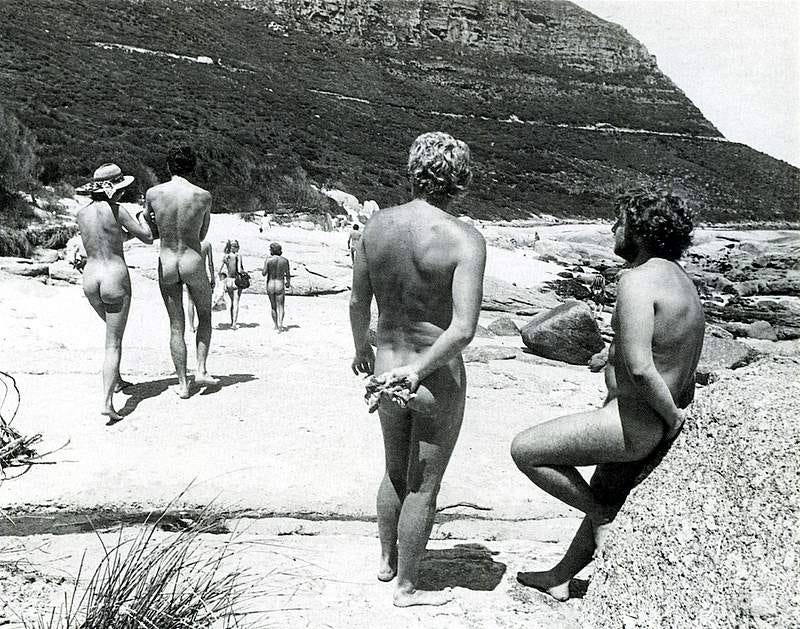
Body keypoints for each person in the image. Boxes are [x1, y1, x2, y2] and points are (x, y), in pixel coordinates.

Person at [510, 190, 704, 601]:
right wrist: (610, 354)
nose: (614, 229)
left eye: (620, 221)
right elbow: (665, 351)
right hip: (643, 419)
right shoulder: (684, 283)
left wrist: (671, 419)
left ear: (640, 229)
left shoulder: (637, 280)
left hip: (634, 422)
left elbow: (640, 366)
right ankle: (561, 577)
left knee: (526, 451)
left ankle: (602, 519)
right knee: (604, 489)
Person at [349, 132, 486, 607]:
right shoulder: (464, 237)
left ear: (414, 172)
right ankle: (407, 587)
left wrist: (360, 352)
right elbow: (463, 330)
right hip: (433, 375)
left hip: (384, 366)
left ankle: (387, 561)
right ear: (460, 179)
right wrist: (419, 371)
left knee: (392, 470)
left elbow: (356, 302)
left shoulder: (375, 227)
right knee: (424, 486)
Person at [75, 163, 153, 421]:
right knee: (113, 343)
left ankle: (116, 381)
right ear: (116, 189)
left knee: (110, 333)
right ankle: (108, 402)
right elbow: (147, 237)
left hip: (90, 277)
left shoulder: (81, 214)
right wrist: (142, 217)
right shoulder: (118, 210)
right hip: (114, 276)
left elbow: (106, 238)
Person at [145, 146, 218, 398]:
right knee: (205, 315)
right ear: (193, 166)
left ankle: (182, 385)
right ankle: (201, 370)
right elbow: (202, 234)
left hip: (166, 260)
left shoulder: (153, 193)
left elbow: (151, 229)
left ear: (168, 166)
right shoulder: (203, 196)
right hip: (191, 259)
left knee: (176, 326)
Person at [184, 239, 215, 333]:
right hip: (202, 275)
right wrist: (213, 277)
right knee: (203, 301)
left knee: (190, 301)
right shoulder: (207, 244)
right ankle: (201, 324)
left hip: (190, 274)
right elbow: (210, 264)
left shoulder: (188, 242)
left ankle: (191, 326)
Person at [261, 241, 291, 331]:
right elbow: (288, 274)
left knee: (273, 306)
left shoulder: (268, 260)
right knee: (281, 305)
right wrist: (288, 282)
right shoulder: (285, 260)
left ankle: (275, 325)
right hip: (280, 283)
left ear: (272, 250)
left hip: (270, 283)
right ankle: (281, 324)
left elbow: (264, 273)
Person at [219, 239, 246, 330]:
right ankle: (234, 323)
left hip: (228, 281)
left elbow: (220, 270)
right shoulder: (238, 256)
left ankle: (232, 321)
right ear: (235, 247)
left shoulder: (225, 256)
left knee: (232, 302)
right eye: (237, 246)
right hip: (236, 281)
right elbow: (238, 270)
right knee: (236, 302)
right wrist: (244, 273)